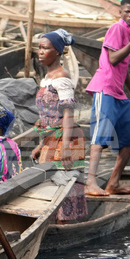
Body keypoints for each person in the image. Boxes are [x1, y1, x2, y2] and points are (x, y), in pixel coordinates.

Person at [85, 0, 130, 196]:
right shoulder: (117, 29)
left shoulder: (128, 34)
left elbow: (123, 67)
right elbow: (112, 59)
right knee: (100, 136)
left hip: (119, 93)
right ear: (120, 12)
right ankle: (90, 183)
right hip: (105, 89)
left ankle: (113, 183)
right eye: (127, 11)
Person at [32, 29, 88, 222]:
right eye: (39, 48)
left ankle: (66, 227)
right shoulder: (46, 79)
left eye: (45, 48)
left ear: (57, 51)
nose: (40, 52)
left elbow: (68, 114)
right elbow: (47, 116)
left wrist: (65, 147)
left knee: (65, 187)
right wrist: (41, 144)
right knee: (49, 184)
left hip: (66, 138)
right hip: (51, 138)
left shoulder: (62, 78)